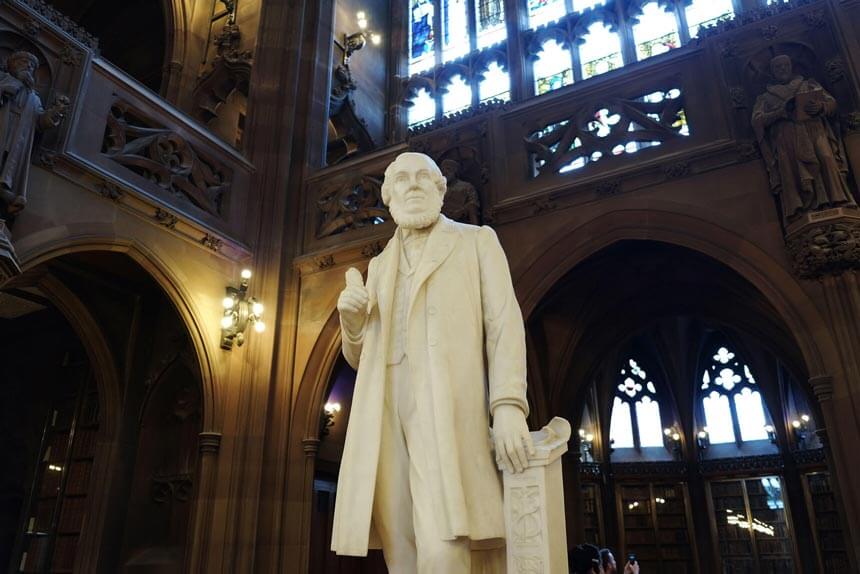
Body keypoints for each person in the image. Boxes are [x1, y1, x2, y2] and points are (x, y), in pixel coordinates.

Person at [332, 152, 533, 573]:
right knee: (397, 535)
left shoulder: (476, 241)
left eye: (425, 176)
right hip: (385, 406)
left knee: (444, 540)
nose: (414, 185)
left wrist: (509, 405)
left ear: (442, 189)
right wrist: (353, 324)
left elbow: (504, 325)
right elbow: (359, 358)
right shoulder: (379, 265)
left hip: (443, 403)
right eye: (402, 179)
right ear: (388, 197)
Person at [751, 54, 856, 226]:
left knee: (826, 158)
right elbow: (757, 120)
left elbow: (831, 103)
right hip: (786, 138)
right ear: (772, 72)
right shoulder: (765, 97)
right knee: (793, 172)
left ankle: (837, 200)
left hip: (814, 130)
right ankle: (802, 210)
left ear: (791, 66)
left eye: (785, 65)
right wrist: (779, 113)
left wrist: (821, 107)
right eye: (778, 67)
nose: (783, 69)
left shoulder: (808, 84)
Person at [0, 51, 66, 217]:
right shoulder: (3, 78)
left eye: (32, 66)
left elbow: (40, 121)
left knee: (8, 165)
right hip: (3, 126)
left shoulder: (34, 97)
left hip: (17, 138)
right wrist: (16, 83)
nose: (28, 66)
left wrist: (55, 112)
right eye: (24, 61)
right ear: (11, 64)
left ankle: (4, 191)